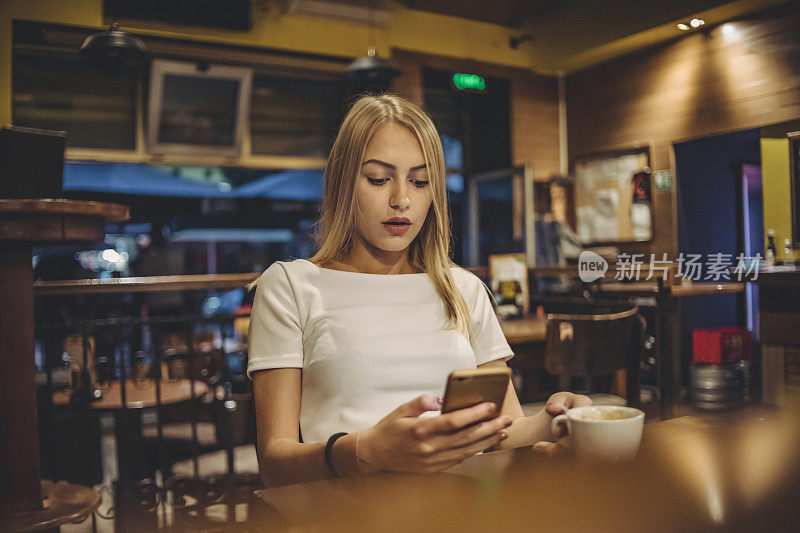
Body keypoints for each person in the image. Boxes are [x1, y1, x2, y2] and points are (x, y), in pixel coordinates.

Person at [248, 94, 591, 487]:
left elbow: (503, 432)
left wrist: (554, 424)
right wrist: (367, 451)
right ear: (344, 182)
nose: (402, 199)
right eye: (378, 179)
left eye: (420, 181)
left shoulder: (464, 289)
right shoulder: (290, 286)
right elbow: (275, 462)